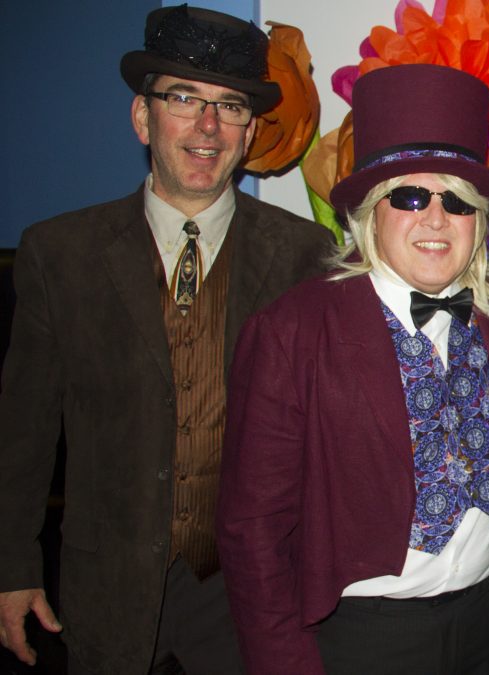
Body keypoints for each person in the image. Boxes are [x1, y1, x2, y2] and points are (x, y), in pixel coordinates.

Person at [0, 6, 332, 674]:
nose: (208, 126)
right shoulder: (59, 253)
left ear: (248, 132)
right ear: (142, 117)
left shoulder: (307, 254)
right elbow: (23, 431)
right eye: (183, 98)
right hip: (106, 587)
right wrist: (12, 567)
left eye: (230, 106)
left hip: (251, 596)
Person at [216, 64, 489, 675]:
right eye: (410, 196)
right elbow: (252, 529)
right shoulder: (291, 332)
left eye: (457, 201)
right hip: (366, 641)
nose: (435, 219)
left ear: (478, 221)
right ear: (369, 212)